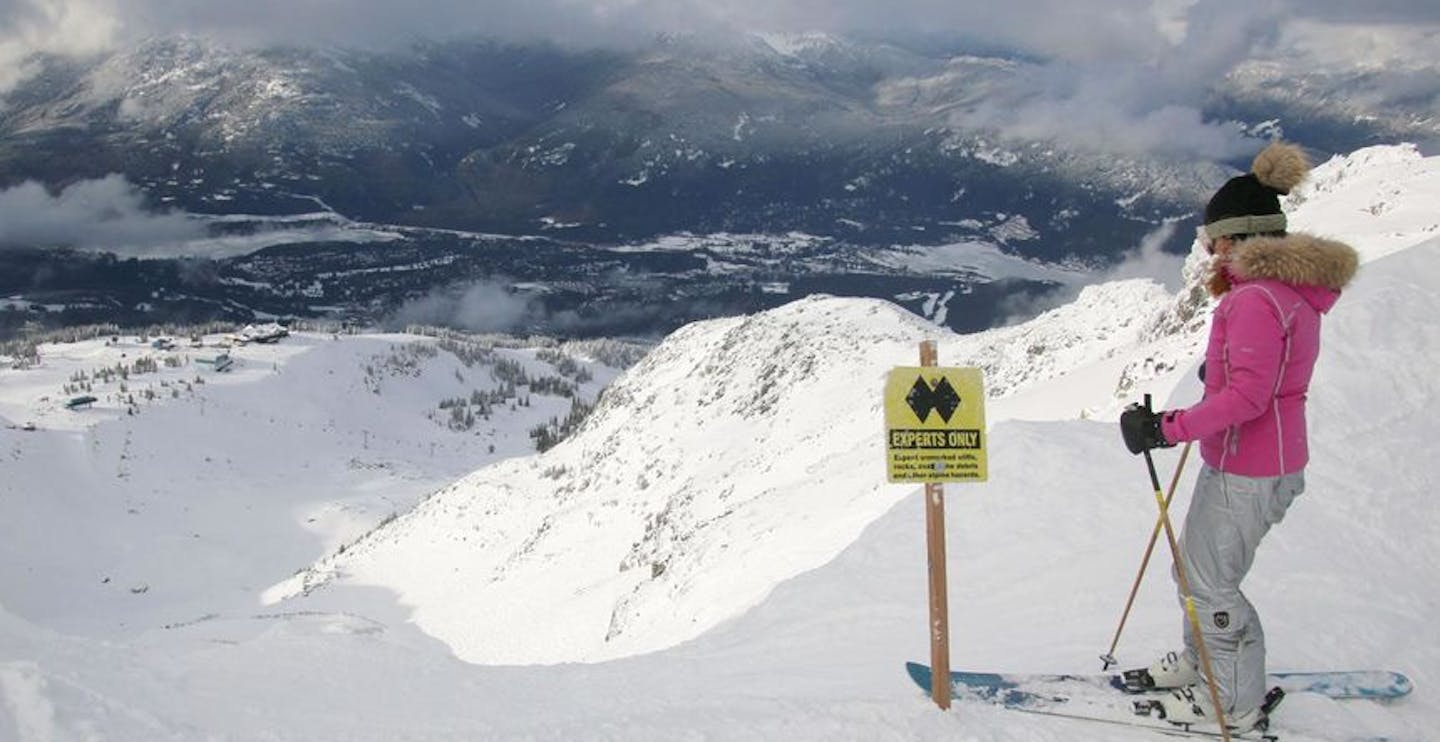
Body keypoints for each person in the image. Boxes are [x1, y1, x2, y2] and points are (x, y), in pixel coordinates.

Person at [1118, 141, 1360, 732]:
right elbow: (1264, 378)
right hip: (1255, 461)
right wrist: (1219, 371)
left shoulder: (1254, 300)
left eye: (1212, 240)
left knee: (1210, 584)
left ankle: (1229, 701)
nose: (1207, 250)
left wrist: (1166, 428)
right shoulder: (1282, 294)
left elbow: (1249, 399)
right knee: (1196, 575)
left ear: (1235, 239)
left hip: (1249, 468)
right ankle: (1208, 668)